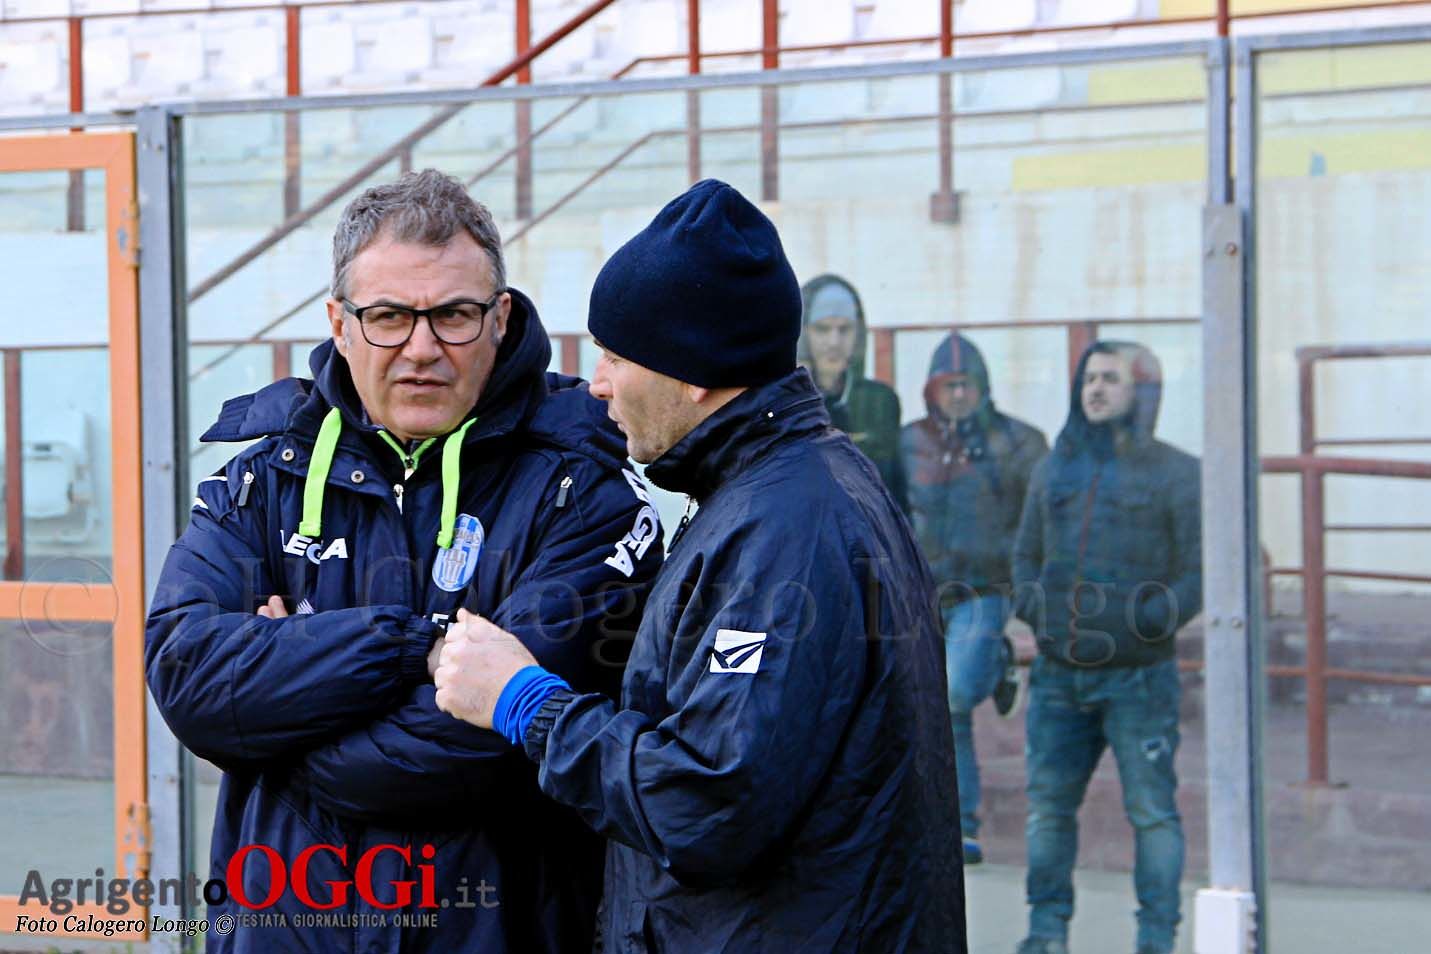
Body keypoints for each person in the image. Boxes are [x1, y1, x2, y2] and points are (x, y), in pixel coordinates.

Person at [431, 179, 967, 953]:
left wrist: (523, 701)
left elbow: (703, 805)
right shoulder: (788, 489)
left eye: (616, 356)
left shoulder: (784, 529)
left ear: (693, 370)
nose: (598, 383)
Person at [145, 169, 662, 953]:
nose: (422, 349)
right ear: (339, 323)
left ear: (499, 318)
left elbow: (479, 750)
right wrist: (414, 648)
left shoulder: (583, 489)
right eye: (388, 316)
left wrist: (282, 713)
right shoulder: (265, 477)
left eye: (452, 315)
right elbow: (189, 678)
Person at [1010, 341, 1201, 954]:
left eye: (1111, 379)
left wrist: (1147, 621)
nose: (1095, 389)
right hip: (1058, 676)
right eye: (1089, 378)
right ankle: (1046, 934)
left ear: (1142, 391)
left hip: (1139, 678)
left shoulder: (1178, 473)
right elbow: (1024, 556)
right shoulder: (1054, 468)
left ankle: (1156, 940)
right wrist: (1038, 612)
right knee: (1047, 811)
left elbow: (1200, 572)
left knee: (1152, 812)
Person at [900, 332, 1047, 865]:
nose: (958, 395)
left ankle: (994, 658)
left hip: (987, 587)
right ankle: (957, 827)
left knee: (958, 691)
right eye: (949, 385)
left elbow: (1039, 517)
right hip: (924, 590)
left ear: (983, 387)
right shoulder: (910, 441)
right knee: (935, 705)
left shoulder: (1019, 441)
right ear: (932, 390)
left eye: (966, 384)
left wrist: (1025, 582)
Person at [799, 273, 907, 509]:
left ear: (858, 334)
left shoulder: (880, 402)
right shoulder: (785, 402)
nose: (834, 341)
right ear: (804, 333)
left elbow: (894, 492)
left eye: (844, 329)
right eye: (822, 329)